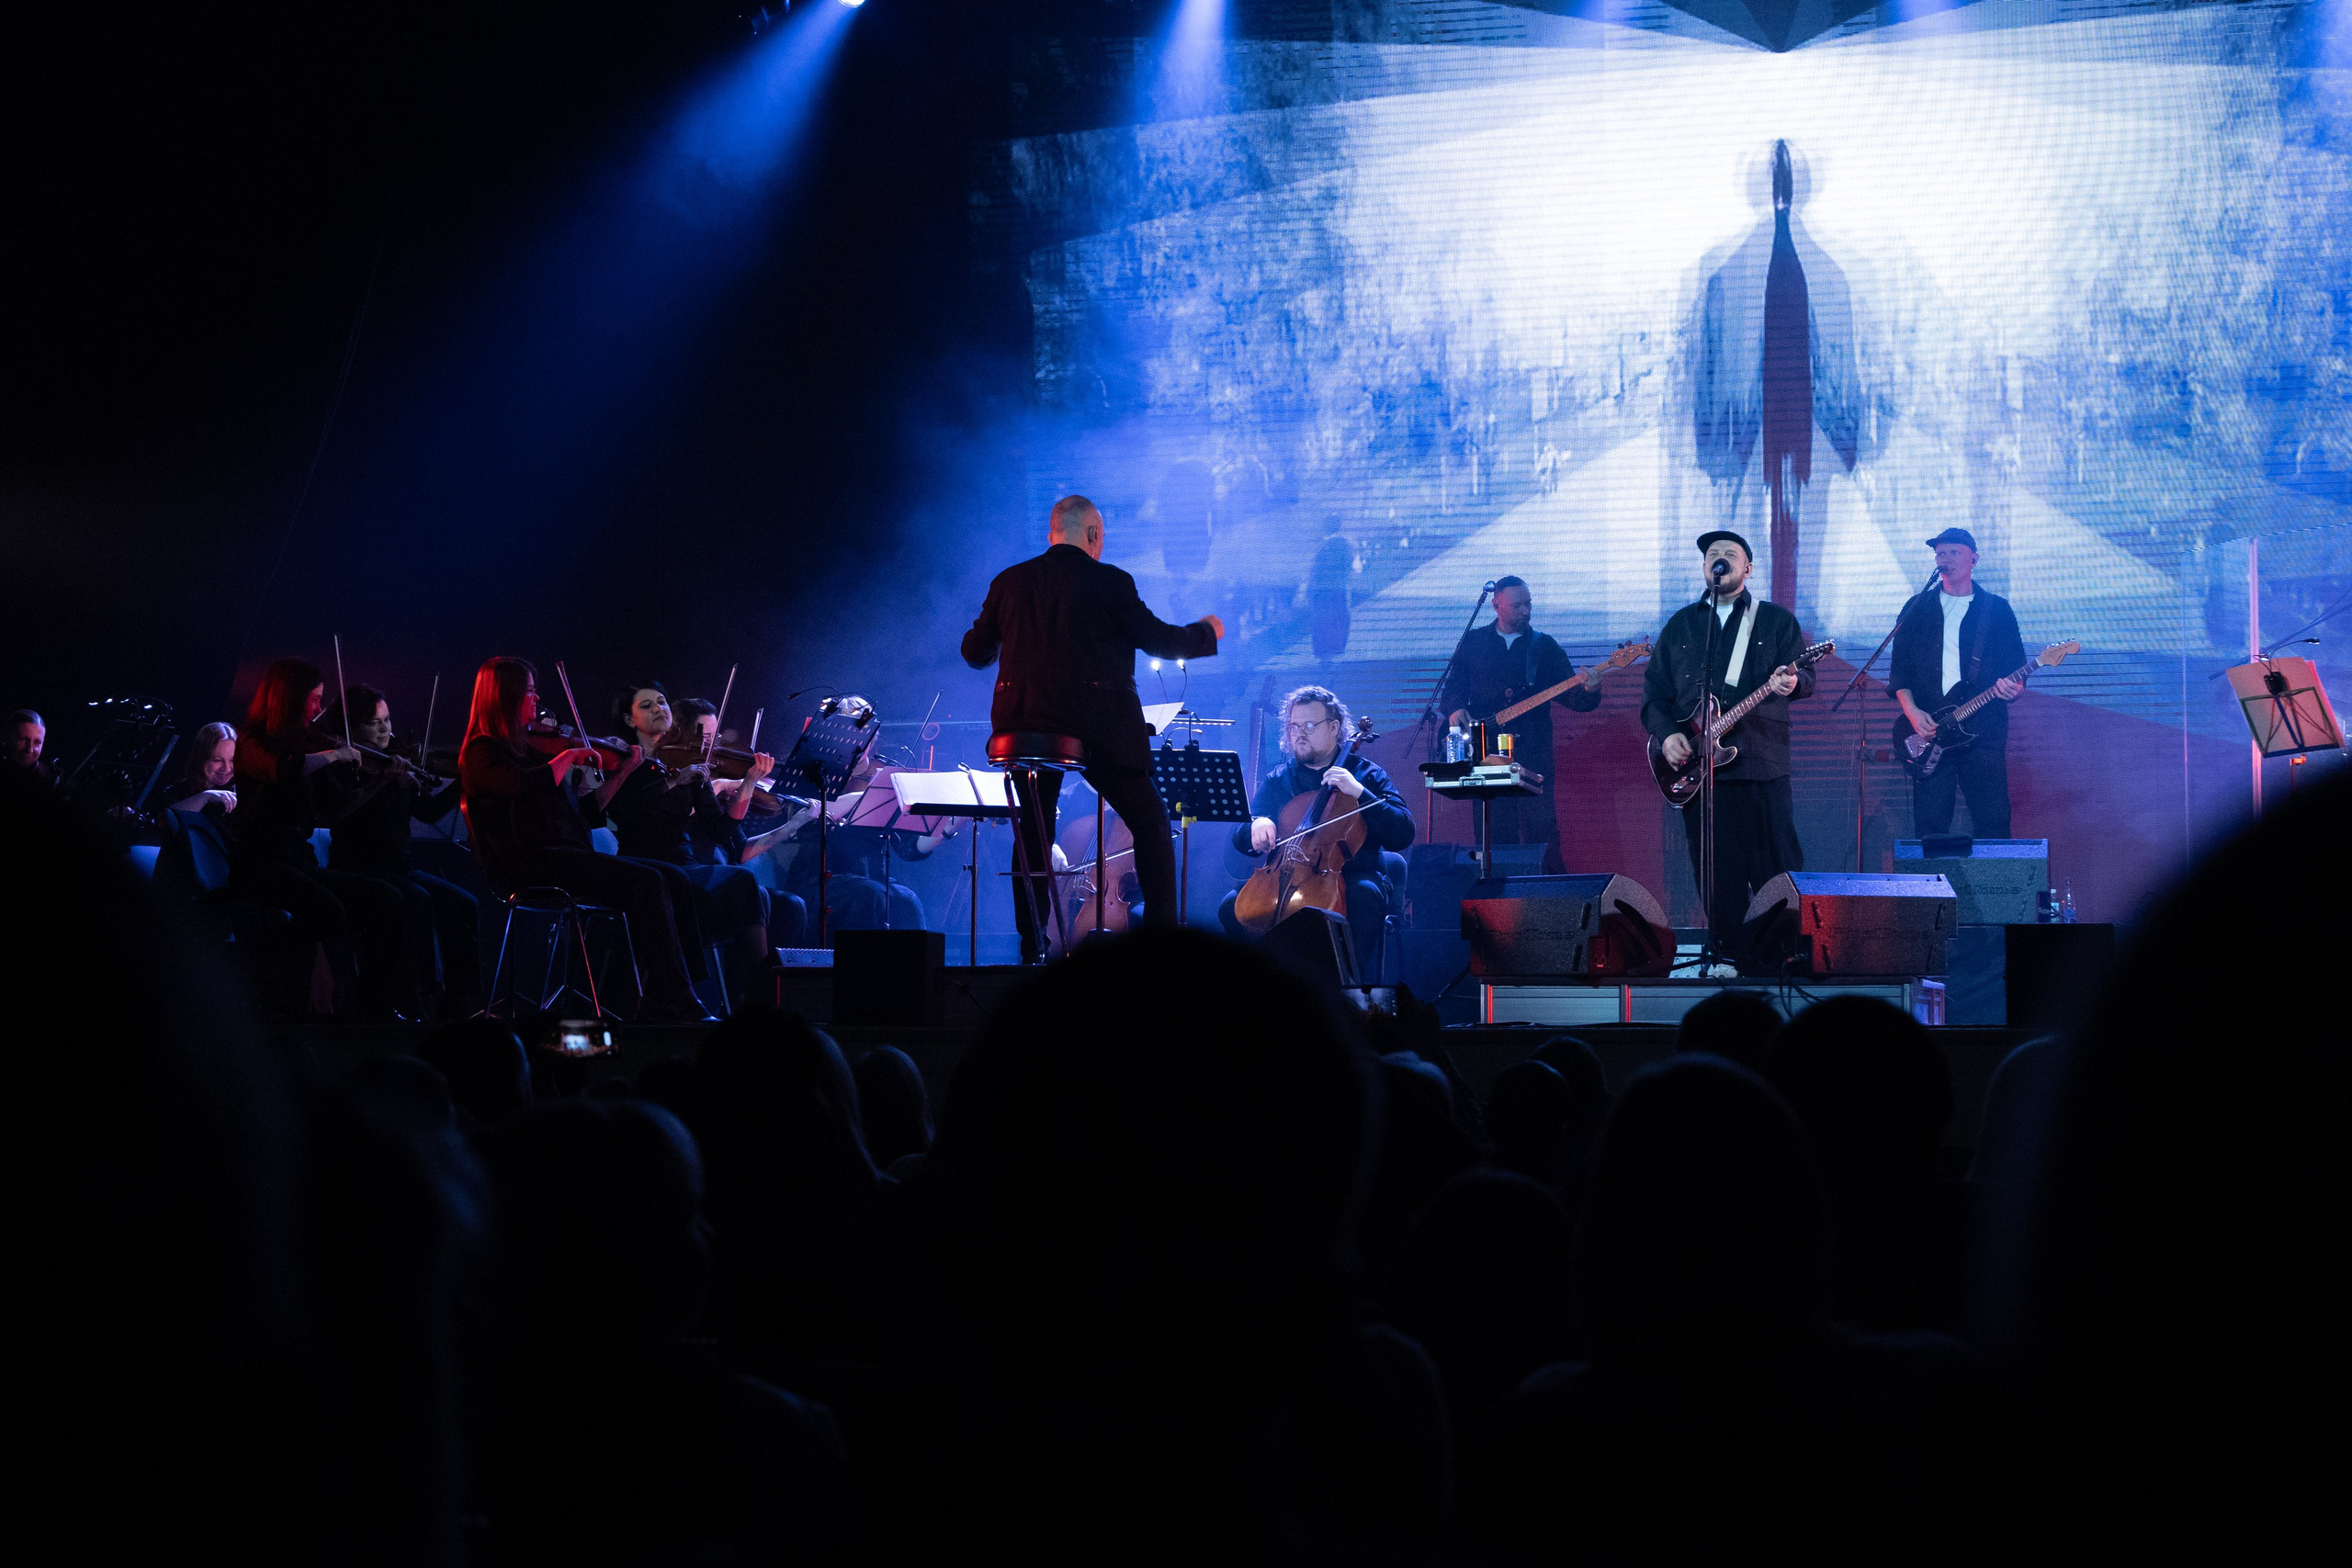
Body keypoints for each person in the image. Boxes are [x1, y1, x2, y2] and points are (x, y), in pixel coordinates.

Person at [961, 493, 1225, 961]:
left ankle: (1032, 949)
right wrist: (1207, 631)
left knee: (1033, 833)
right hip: (1098, 727)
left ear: (1052, 534)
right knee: (1150, 825)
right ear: (1093, 535)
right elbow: (1160, 640)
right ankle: (1162, 946)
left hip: (1025, 729)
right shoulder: (1111, 582)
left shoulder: (1009, 581)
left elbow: (974, 652)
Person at [455, 656, 710, 1021]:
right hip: (528, 864)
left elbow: (586, 815)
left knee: (674, 877)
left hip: (564, 855)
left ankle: (667, 992)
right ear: (505, 696)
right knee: (648, 880)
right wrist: (569, 755)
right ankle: (679, 997)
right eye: (529, 691)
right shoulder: (483, 751)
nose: (536, 698)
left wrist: (623, 773)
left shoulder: (530, 749)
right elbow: (526, 784)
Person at [1641, 531, 1815, 970]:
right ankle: (1727, 956)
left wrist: (1792, 682)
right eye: (1712, 555)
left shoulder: (1775, 620)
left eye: (1730, 554)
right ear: (1705, 568)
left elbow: (1806, 677)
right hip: (1700, 776)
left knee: (1777, 869)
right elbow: (1654, 695)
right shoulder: (1682, 625)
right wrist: (1668, 735)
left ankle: (1782, 961)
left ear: (1748, 568)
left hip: (1760, 765)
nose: (1719, 559)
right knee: (1716, 874)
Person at [227, 659, 413, 1016]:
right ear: (290, 699)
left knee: (385, 898)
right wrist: (331, 755)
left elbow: (336, 808)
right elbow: (282, 769)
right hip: (260, 864)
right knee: (328, 910)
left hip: (299, 860)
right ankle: (300, 1002)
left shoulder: (306, 745)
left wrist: (380, 780)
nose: (318, 710)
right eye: (313, 700)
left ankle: (375, 1006)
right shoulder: (251, 742)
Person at [1219, 683, 1414, 977]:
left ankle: (1345, 992)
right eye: (1294, 726)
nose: (1299, 733)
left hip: (1353, 875)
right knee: (1231, 906)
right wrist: (1255, 825)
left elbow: (1403, 832)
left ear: (1334, 727)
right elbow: (1240, 832)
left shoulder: (1367, 774)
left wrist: (1360, 793)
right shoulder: (1279, 779)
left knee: (1362, 898)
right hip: (1283, 876)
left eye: (1309, 725)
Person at [320, 684, 482, 1020]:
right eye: (374, 723)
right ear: (353, 726)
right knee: (417, 900)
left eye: (388, 720)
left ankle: (460, 1003)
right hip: (359, 867)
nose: (385, 730)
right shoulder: (341, 765)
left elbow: (428, 812)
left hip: (400, 868)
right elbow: (337, 812)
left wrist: (465, 781)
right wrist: (382, 781)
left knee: (465, 904)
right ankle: (413, 996)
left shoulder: (395, 764)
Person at [606, 681, 786, 975]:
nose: (658, 708)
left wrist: (750, 781)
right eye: (646, 705)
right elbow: (623, 810)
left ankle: (756, 988)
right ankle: (759, 983)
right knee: (742, 882)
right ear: (629, 720)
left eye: (662, 702)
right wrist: (675, 780)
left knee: (760, 895)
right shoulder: (626, 761)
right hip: (643, 866)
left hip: (684, 865)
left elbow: (720, 830)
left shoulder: (687, 763)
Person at [1440, 577, 1611, 873]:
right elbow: (1452, 687)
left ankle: (1549, 896)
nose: (1525, 611)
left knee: (1541, 832)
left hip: (1533, 753)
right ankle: (1494, 895)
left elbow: (1574, 698)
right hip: (1486, 752)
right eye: (1517, 605)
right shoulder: (1474, 642)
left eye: (1528, 604)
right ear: (1496, 605)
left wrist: (1591, 690)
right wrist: (1455, 709)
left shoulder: (1544, 647)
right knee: (1493, 834)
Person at [1890, 526, 2025, 839]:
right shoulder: (1916, 608)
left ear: (1973, 559)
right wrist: (1912, 713)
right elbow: (1900, 671)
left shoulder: (1997, 609)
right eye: (1940, 553)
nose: (1945, 558)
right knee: (1930, 827)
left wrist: (2013, 691)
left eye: (1953, 552)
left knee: (1992, 822)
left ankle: (1995, 874)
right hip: (1930, 730)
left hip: (1984, 729)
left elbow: (2017, 672)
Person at [166, 720, 239, 815]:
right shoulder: (177, 791)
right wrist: (205, 797)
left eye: (232, 760)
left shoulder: (242, 791)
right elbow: (167, 817)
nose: (227, 768)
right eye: (217, 760)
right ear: (201, 758)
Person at [6, 709, 49, 779]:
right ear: (8, 737)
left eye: (37, 742)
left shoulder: (47, 779)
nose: (30, 750)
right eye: (22, 739)